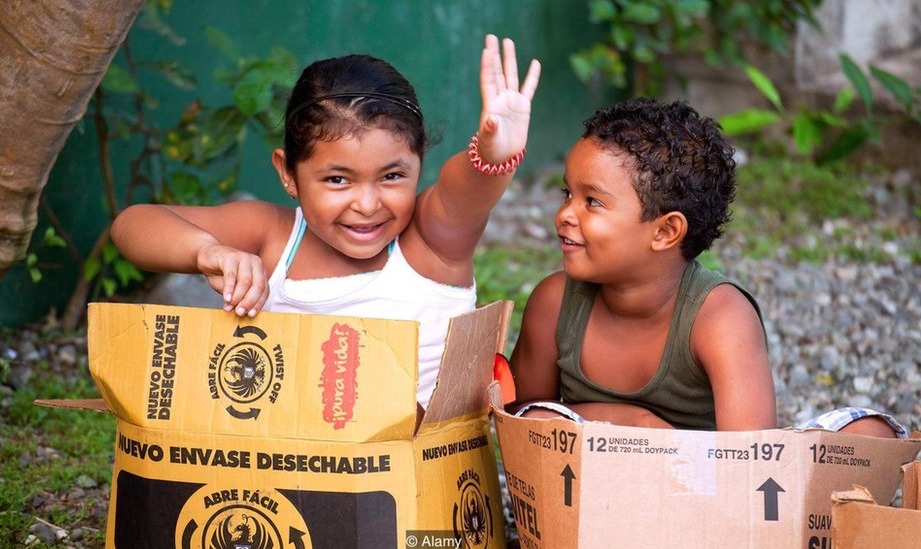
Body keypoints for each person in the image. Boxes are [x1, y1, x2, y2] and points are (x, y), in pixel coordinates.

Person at [110, 35, 540, 411]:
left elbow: (467, 192)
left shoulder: (431, 241)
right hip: (298, 474)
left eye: (392, 176)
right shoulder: (274, 236)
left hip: (415, 482)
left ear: (418, 165)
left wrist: (493, 158)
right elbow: (133, 225)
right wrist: (206, 250)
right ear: (287, 174)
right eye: (338, 179)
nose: (368, 204)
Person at [508, 97, 906, 437]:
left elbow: (750, 460)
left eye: (591, 202)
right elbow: (522, 424)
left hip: (705, 492)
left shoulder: (718, 317)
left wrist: (659, 445)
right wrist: (633, 423)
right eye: (567, 193)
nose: (564, 214)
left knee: (870, 431)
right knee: (542, 419)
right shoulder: (555, 303)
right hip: (593, 492)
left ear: (665, 232)